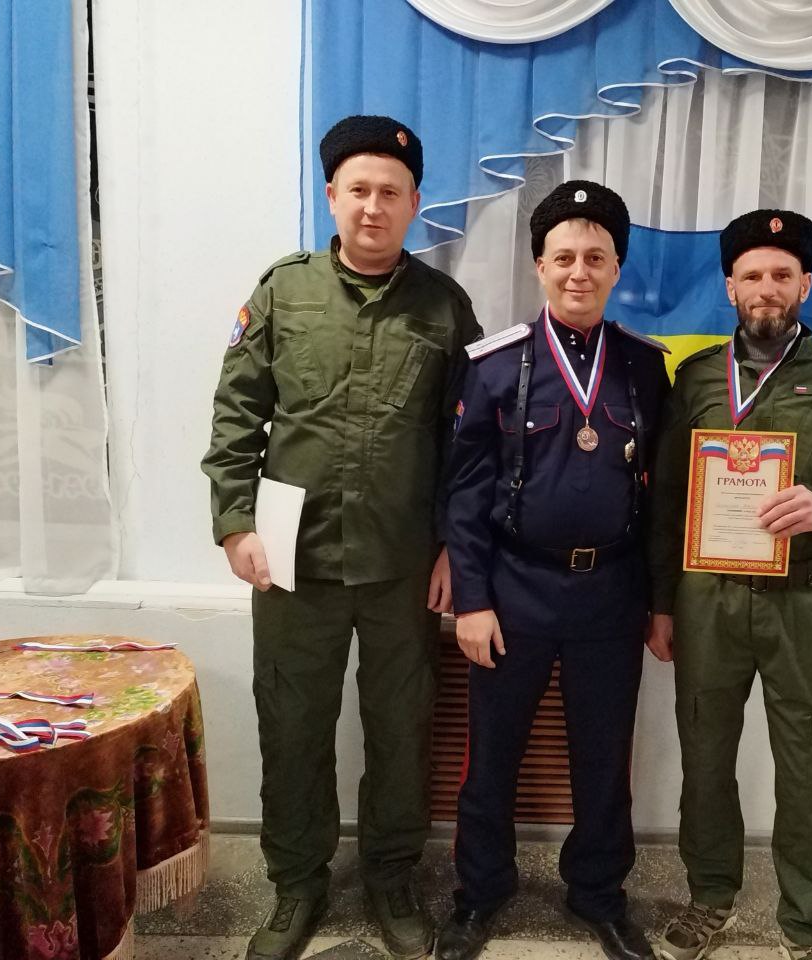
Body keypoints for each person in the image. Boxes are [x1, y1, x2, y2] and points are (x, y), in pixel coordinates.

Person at [201, 114, 482, 960]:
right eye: (358, 189)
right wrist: (235, 525)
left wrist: (453, 548)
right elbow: (236, 415)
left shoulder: (444, 307)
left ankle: (392, 877)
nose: (373, 206)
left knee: (401, 729)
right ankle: (297, 884)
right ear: (332, 195)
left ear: (414, 204)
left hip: (403, 564)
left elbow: (470, 443)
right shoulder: (283, 293)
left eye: (390, 192)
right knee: (292, 727)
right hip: (295, 560)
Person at [647, 209, 812, 960]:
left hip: (802, 601)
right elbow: (666, 501)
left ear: (805, 285)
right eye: (752, 275)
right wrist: (661, 604)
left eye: (782, 274)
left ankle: (807, 928)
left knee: (807, 767)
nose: (766, 287)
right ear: (730, 287)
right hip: (707, 601)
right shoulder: (696, 378)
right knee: (705, 761)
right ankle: (710, 900)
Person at [435, 180, 671, 960]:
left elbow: (662, 497)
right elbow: (465, 494)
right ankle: (480, 894)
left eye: (596, 258)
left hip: (611, 593)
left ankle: (598, 894)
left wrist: (661, 602)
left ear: (616, 268)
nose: (579, 271)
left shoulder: (644, 367)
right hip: (515, 593)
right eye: (564, 257)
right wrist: (472, 601)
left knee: (604, 761)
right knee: (491, 756)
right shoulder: (496, 365)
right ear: (540, 266)